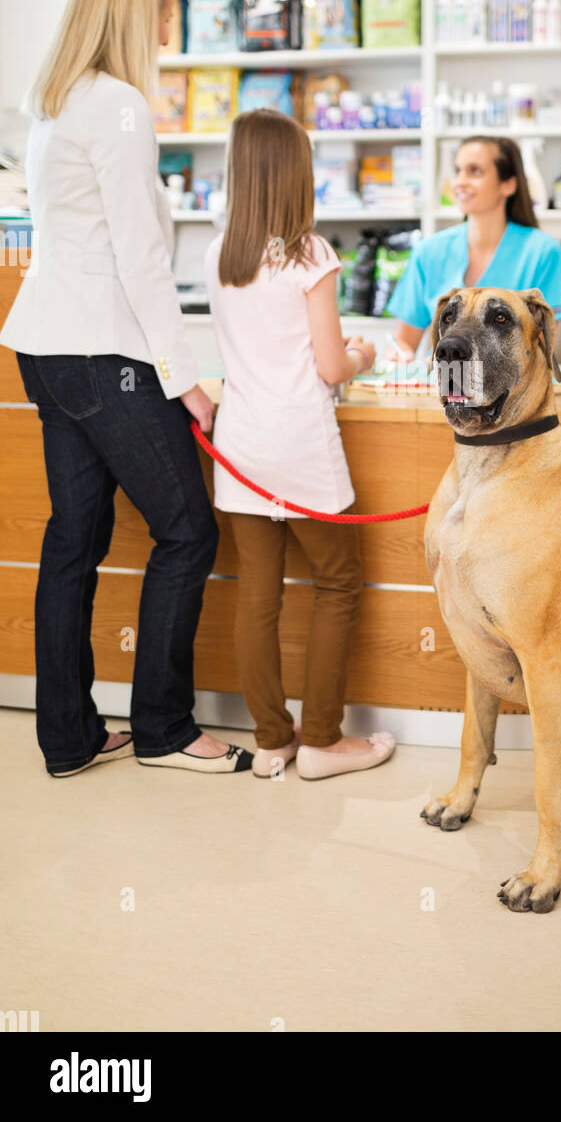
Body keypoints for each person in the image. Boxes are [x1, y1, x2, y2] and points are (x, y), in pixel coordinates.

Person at [0, 0, 251, 776]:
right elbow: (142, 257)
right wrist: (186, 379)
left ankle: (68, 737)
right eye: (165, 11)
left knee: (74, 537)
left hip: (45, 348)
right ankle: (166, 728)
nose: (172, 26)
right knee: (187, 529)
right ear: (132, 16)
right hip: (104, 352)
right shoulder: (119, 106)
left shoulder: (54, 104)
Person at [203, 108, 397, 780]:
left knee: (257, 594)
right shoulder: (309, 253)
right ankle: (322, 740)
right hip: (301, 445)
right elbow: (330, 367)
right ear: (297, 174)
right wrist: (363, 354)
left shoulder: (217, 254)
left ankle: (270, 740)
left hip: (242, 445)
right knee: (337, 582)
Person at [386, 135, 561, 357]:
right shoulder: (429, 252)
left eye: (475, 171)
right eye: (458, 171)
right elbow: (404, 341)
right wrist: (400, 356)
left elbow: (540, 349)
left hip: (508, 389)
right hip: (438, 387)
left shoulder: (542, 252)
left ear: (508, 184)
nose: (460, 182)